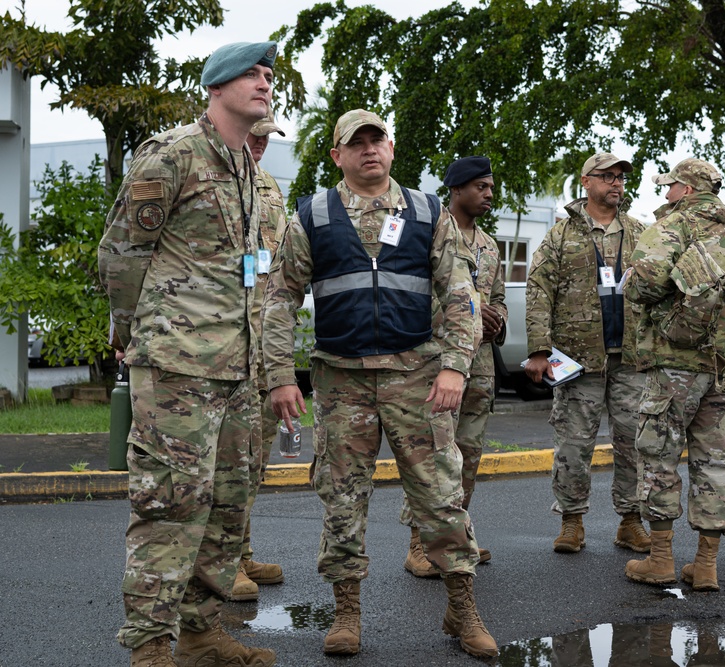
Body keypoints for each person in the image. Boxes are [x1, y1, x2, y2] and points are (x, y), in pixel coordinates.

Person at [262, 109, 497, 659]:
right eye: (356, 143)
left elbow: (462, 294)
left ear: (391, 149)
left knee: (441, 497)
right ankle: (347, 614)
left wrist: (454, 367)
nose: (369, 150)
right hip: (340, 381)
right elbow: (277, 300)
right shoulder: (311, 216)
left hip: (417, 376)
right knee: (342, 501)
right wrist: (280, 376)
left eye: (378, 140)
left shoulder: (427, 210)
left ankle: (462, 608)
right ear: (337, 155)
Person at [98, 41, 279, 667]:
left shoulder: (248, 170)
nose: (264, 83)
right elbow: (121, 253)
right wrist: (130, 334)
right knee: (170, 507)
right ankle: (151, 648)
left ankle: (202, 634)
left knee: (228, 506)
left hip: (239, 370)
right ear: (216, 85)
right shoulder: (174, 154)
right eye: (252, 74)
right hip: (177, 367)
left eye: (268, 75)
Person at [620, 158, 725, 592]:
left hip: (675, 366)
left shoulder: (672, 226)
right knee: (715, 463)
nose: (665, 195)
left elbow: (643, 284)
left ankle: (661, 560)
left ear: (685, 188)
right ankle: (705, 566)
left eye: (669, 187)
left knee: (659, 456)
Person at [524, 152, 650, 554]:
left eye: (620, 178)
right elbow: (538, 291)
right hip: (580, 360)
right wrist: (540, 350)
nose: (616, 183)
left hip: (631, 359)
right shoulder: (561, 236)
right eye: (607, 176)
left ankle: (630, 521)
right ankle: (572, 520)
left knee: (632, 442)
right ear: (586, 182)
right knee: (574, 444)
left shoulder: (640, 233)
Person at [402, 156, 508, 577]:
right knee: (433, 456)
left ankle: (454, 540)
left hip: (479, 366)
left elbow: (496, 296)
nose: (488, 194)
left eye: (491, 187)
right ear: (458, 189)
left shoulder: (489, 245)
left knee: (468, 455)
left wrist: (496, 315)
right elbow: (414, 297)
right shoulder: (428, 234)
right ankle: (418, 545)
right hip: (437, 361)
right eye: (481, 187)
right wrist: (471, 312)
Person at [231, 111, 288, 602]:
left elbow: (281, 262)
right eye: (254, 136)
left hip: (264, 341)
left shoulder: (269, 186)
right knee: (224, 461)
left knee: (254, 458)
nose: (260, 145)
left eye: (266, 139)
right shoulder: (206, 174)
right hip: (219, 342)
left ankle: (240, 551)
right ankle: (220, 561)